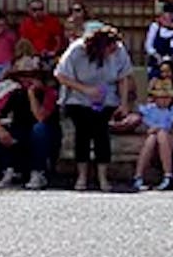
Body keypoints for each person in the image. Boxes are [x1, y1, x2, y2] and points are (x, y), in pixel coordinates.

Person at [54, 24, 134, 192]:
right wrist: (86, 90)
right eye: (109, 48)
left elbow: (123, 77)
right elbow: (60, 75)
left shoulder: (119, 51)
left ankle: (102, 177)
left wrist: (124, 103)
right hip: (78, 97)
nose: (113, 51)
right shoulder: (77, 50)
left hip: (106, 98)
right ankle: (81, 176)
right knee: (82, 133)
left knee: (101, 134)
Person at [0, 69, 58, 190]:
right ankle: (9, 170)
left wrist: (32, 95)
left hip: (45, 134)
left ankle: (38, 172)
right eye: (23, 77)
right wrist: (0, 130)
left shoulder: (49, 93)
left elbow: (40, 117)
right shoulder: (15, 93)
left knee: (39, 129)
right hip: (21, 130)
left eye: (31, 77)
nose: (27, 80)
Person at [133, 78, 173, 192]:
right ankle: (138, 176)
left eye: (166, 97)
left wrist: (159, 129)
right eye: (161, 97)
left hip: (172, 144)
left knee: (161, 134)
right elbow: (145, 129)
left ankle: (168, 175)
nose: (164, 100)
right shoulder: (148, 110)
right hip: (153, 144)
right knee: (152, 138)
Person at [18, 0, 67, 66]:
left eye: (41, 9)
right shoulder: (25, 24)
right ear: (29, 10)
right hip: (32, 56)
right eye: (34, 9)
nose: (38, 12)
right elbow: (24, 43)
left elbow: (58, 41)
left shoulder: (52, 22)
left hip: (50, 56)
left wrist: (53, 52)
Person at [0, 10, 19, 81]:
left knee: (5, 79)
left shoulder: (10, 34)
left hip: (7, 62)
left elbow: (14, 45)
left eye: (1, 25)